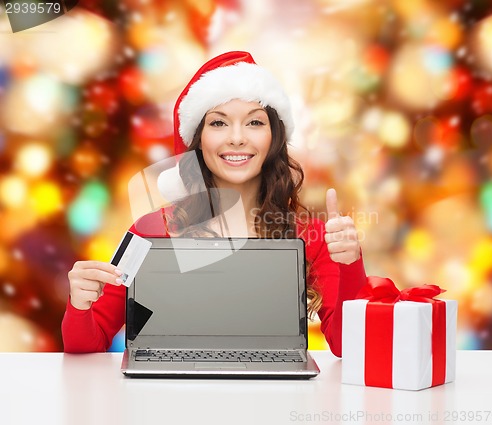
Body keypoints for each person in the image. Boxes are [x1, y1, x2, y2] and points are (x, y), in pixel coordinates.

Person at [62, 51, 367, 356]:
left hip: (273, 395)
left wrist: (351, 264)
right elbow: (87, 343)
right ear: (198, 139)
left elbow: (349, 347)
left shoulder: (311, 235)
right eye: (219, 124)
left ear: (274, 137)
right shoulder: (150, 231)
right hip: (168, 395)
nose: (236, 138)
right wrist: (79, 303)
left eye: (255, 123)